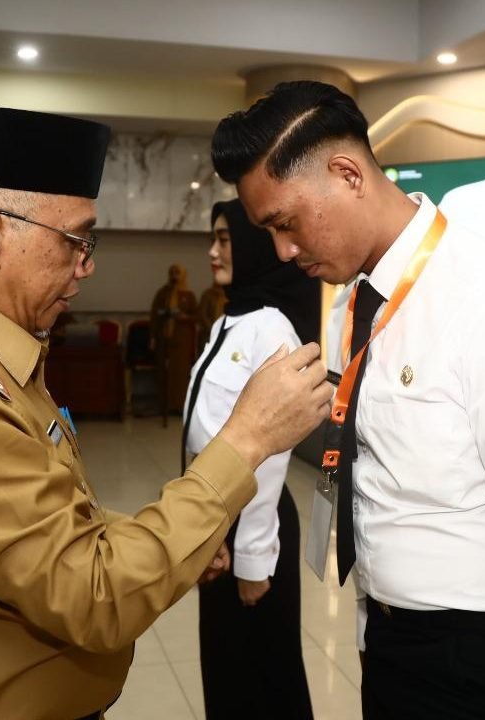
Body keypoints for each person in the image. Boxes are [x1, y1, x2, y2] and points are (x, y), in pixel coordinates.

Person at [0, 104, 331, 720]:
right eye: (76, 240)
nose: (87, 264)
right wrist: (247, 441)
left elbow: (42, 525)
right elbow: (93, 597)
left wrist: (167, 536)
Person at [212, 81, 485, 720]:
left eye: (286, 223)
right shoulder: (354, 304)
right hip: (388, 636)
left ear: (347, 174)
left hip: (473, 653)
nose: (283, 250)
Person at [185, 199, 317, 720]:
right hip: (216, 519)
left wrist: (254, 562)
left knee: (263, 679)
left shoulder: (272, 330)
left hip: (252, 524)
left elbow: (269, 455)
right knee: (226, 672)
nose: (213, 251)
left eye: (225, 239)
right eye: (212, 239)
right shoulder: (229, 322)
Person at [150, 263, 198, 413]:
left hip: (183, 341)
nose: (174, 276)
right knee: (164, 373)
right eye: (172, 272)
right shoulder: (162, 293)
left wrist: (184, 317)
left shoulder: (189, 295)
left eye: (177, 272)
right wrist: (152, 337)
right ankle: (164, 405)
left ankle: (180, 406)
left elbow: (196, 316)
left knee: (181, 374)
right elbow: (154, 315)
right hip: (164, 339)